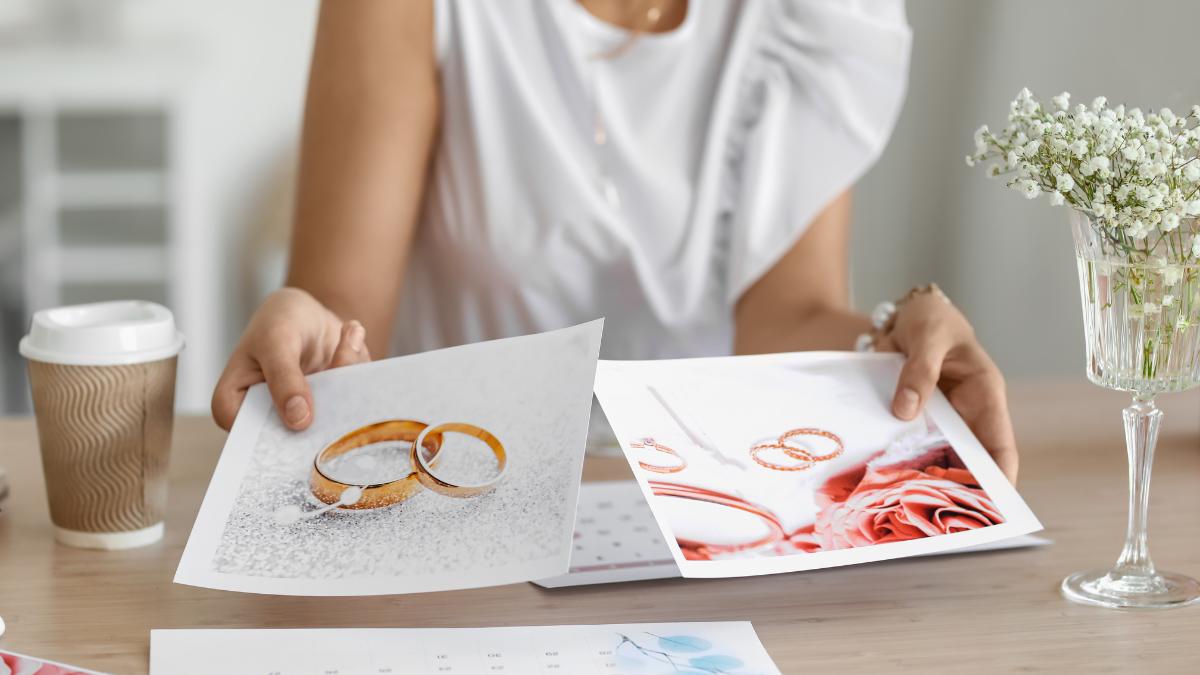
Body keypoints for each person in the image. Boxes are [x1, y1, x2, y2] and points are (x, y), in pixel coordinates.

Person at [211, 0, 1018, 482]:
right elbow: (345, 324)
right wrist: (306, 330)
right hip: (457, 498)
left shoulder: (811, 19)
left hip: (708, 511)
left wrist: (894, 348)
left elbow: (785, 312)